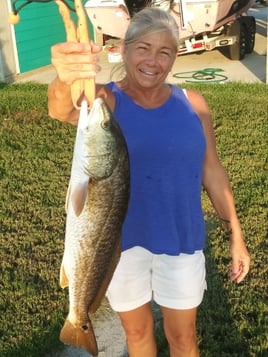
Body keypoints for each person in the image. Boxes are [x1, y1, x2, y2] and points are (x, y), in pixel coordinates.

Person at [48, 8, 250, 357]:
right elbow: (60, 107)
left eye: (164, 52)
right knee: (138, 334)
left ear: (174, 58)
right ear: (124, 50)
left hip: (181, 239)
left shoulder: (194, 105)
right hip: (121, 246)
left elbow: (213, 172)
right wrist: (65, 77)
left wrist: (236, 233)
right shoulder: (104, 102)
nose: (152, 61)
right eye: (143, 48)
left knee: (184, 339)